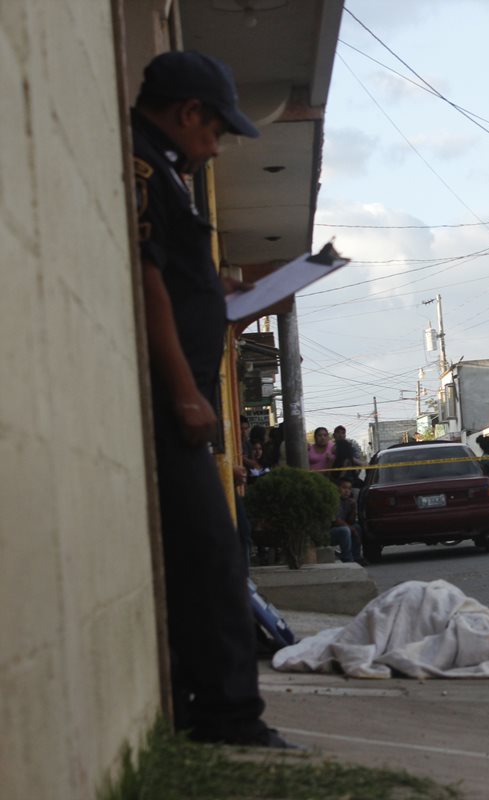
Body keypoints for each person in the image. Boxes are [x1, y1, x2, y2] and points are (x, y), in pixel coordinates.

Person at [132, 50, 292, 747]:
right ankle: (230, 715)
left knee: (203, 555)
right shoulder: (144, 166)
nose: (219, 142)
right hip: (176, 400)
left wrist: (222, 293)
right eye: (216, 128)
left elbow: (178, 278)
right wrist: (184, 394)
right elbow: (147, 284)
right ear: (188, 112)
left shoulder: (171, 170)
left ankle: (205, 702)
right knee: (213, 555)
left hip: (189, 391)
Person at [328, 479, 362, 564]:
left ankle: (356, 557)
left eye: (349, 488)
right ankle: (347, 558)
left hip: (342, 529)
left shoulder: (347, 502)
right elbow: (335, 520)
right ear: (338, 488)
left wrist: (354, 507)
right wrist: (351, 528)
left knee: (357, 527)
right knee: (345, 530)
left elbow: (351, 521)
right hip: (328, 532)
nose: (347, 491)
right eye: (344, 488)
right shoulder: (333, 500)